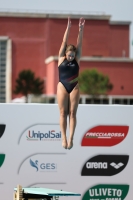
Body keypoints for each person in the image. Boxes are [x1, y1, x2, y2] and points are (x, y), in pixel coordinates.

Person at [57, 17, 85, 149]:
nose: (71, 57)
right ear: (65, 54)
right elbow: (64, 41)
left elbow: (80, 43)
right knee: (63, 113)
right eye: (69, 55)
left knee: (73, 113)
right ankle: (63, 138)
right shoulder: (61, 58)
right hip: (62, 86)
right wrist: (68, 27)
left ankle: (71, 138)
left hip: (74, 87)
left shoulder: (76, 59)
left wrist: (81, 29)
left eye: (73, 56)